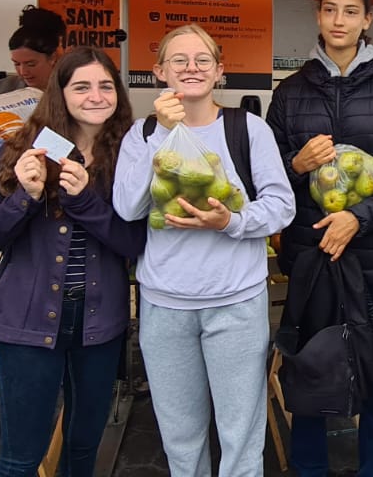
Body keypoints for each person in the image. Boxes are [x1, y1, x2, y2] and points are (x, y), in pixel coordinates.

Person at [265, 0, 373, 477]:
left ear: (367, 20)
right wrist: (295, 164)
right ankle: (310, 466)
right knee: (311, 366)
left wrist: (358, 219)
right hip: (312, 257)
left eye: (351, 11)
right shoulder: (290, 91)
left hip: (372, 257)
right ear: (318, 16)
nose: (340, 21)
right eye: (331, 10)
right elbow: (264, 174)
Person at [114, 24, 296, 477]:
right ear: (160, 71)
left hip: (235, 303)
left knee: (240, 436)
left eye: (202, 60)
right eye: (179, 60)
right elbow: (128, 207)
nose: (191, 68)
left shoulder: (248, 129)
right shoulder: (141, 135)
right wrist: (163, 135)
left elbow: (281, 206)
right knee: (180, 437)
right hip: (165, 305)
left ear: (219, 71)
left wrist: (231, 222)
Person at [0, 47, 144, 477]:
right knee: (19, 458)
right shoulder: (21, 151)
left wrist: (85, 201)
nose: (96, 96)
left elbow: (134, 242)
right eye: (81, 86)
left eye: (105, 86)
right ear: (59, 93)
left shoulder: (132, 155)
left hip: (98, 327)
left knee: (82, 452)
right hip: (27, 325)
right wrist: (23, 198)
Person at [0, 5, 66, 92]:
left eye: (31, 64)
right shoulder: (5, 88)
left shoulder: (72, 87)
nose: (23, 72)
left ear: (52, 57)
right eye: (17, 64)